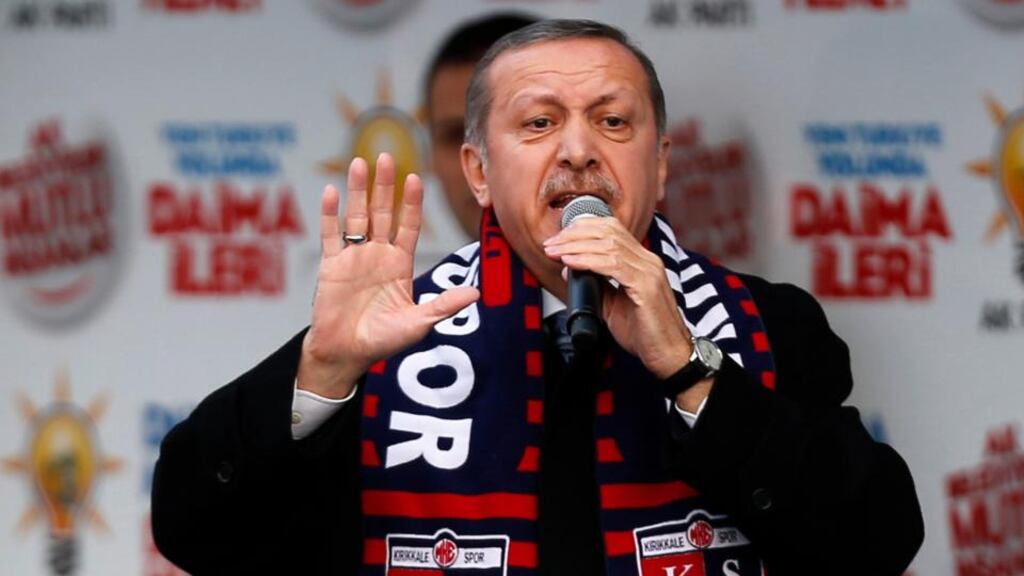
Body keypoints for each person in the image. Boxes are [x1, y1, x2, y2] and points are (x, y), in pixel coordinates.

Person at [152, 19, 924, 576]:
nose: (579, 149)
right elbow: (195, 532)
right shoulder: (383, 340)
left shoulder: (768, 323)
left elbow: (879, 541)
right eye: (540, 122)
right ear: (479, 173)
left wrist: (691, 372)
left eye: (613, 121)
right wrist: (321, 370)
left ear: (659, 164)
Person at [424, 13, 537, 242]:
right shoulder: (418, 280)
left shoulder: (628, 278)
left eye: (529, 125)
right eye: (456, 135)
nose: (481, 164)